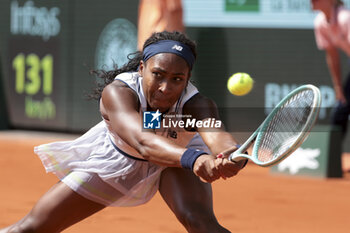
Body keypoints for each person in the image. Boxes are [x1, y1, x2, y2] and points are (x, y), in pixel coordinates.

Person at [0, 31, 247, 233]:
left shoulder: (197, 104)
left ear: (188, 78)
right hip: (119, 158)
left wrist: (230, 155)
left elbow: (217, 136)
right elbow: (142, 141)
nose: (165, 88)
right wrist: (196, 159)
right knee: (33, 228)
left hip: (176, 162)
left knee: (200, 222)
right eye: (158, 75)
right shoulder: (118, 93)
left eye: (176, 79)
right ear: (142, 68)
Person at [311, 0, 350, 139]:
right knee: (341, 109)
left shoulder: (345, 18)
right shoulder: (320, 23)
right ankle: (332, 156)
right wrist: (338, 86)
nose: (311, 1)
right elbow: (332, 55)